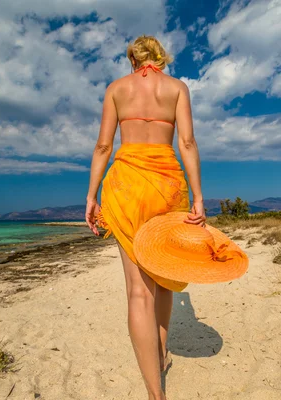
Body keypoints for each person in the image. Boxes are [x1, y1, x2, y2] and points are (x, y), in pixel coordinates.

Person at [85, 34, 205, 400]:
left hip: (126, 186)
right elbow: (187, 143)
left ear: (132, 59)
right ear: (160, 58)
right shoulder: (177, 88)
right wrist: (199, 197)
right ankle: (162, 354)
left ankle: (155, 393)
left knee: (139, 292)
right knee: (165, 280)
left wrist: (91, 196)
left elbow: (104, 145)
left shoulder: (117, 89)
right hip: (168, 186)